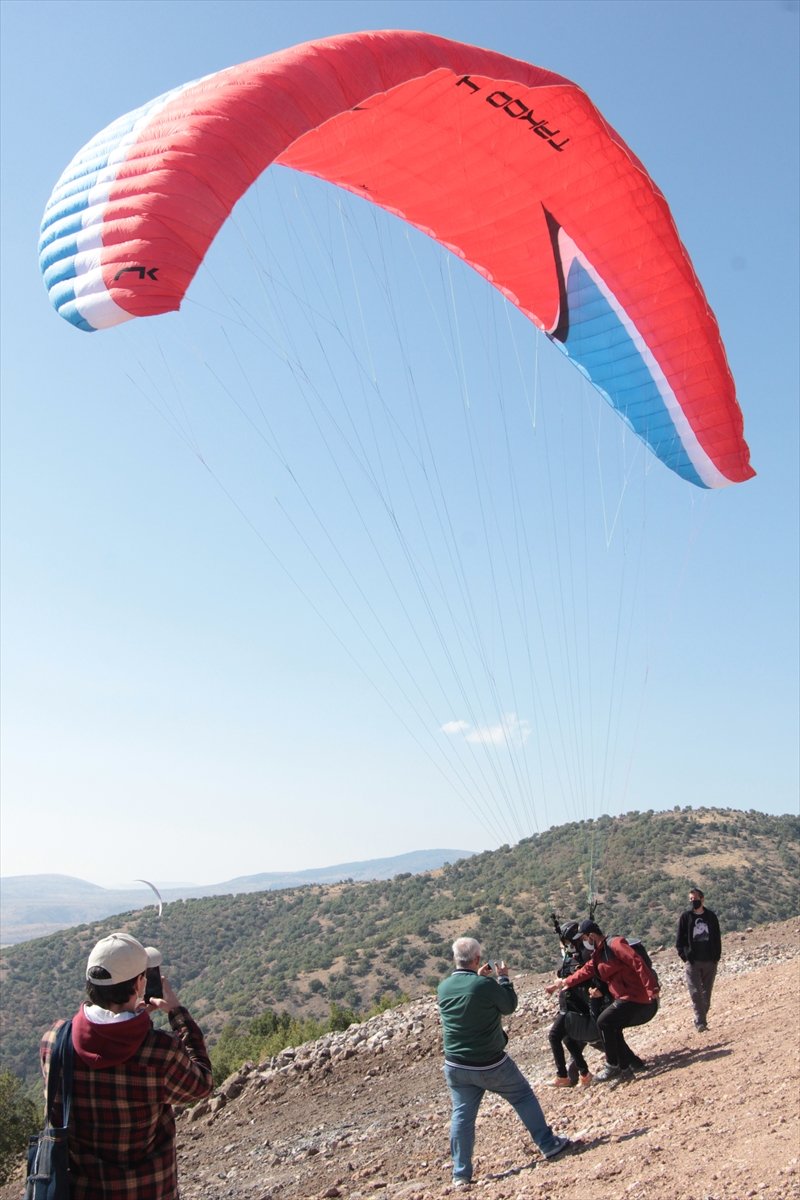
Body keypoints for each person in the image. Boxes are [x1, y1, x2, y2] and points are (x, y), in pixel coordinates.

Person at [39, 931, 213, 1199]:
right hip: (148, 1190)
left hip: (80, 1191)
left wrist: (133, 1020)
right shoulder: (159, 1051)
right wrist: (177, 1014)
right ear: (140, 983)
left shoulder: (54, 1040)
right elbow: (202, 1085)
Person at [438, 936, 571, 1187]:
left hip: (455, 1065)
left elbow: (467, 1004)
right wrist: (504, 979)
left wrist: (478, 978)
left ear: (456, 959)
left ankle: (461, 1174)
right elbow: (509, 1006)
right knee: (522, 1096)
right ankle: (548, 1144)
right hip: (490, 1063)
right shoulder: (483, 986)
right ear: (477, 958)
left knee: (462, 1116)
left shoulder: (443, 988)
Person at [546, 919, 659, 1083]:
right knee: (613, 1028)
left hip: (634, 995)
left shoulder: (615, 944)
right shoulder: (599, 953)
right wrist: (562, 983)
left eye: (585, 938)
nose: (585, 942)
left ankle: (612, 1065)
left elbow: (637, 962)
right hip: (622, 997)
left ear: (591, 935)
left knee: (604, 1022)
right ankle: (626, 1070)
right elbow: (586, 971)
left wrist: (652, 988)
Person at [546, 921, 599, 1088]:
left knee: (554, 1036)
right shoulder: (576, 954)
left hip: (574, 1005)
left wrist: (560, 982)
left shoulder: (583, 955)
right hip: (571, 1003)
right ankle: (585, 1073)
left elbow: (579, 976)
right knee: (568, 1038)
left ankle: (562, 1075)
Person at [675, 886, 722, 1032]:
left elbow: (717, 937)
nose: (693, 901)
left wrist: (716, 956)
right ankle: (701, 1022)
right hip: (693, 962)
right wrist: (685, 956)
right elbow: (679, 940)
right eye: (690, 899)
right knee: (695, 992)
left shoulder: (711, 917)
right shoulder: (686, 917)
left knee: (706, 994)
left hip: (710, 960)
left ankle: (700, 1018)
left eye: (695, 898)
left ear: (702, 899)